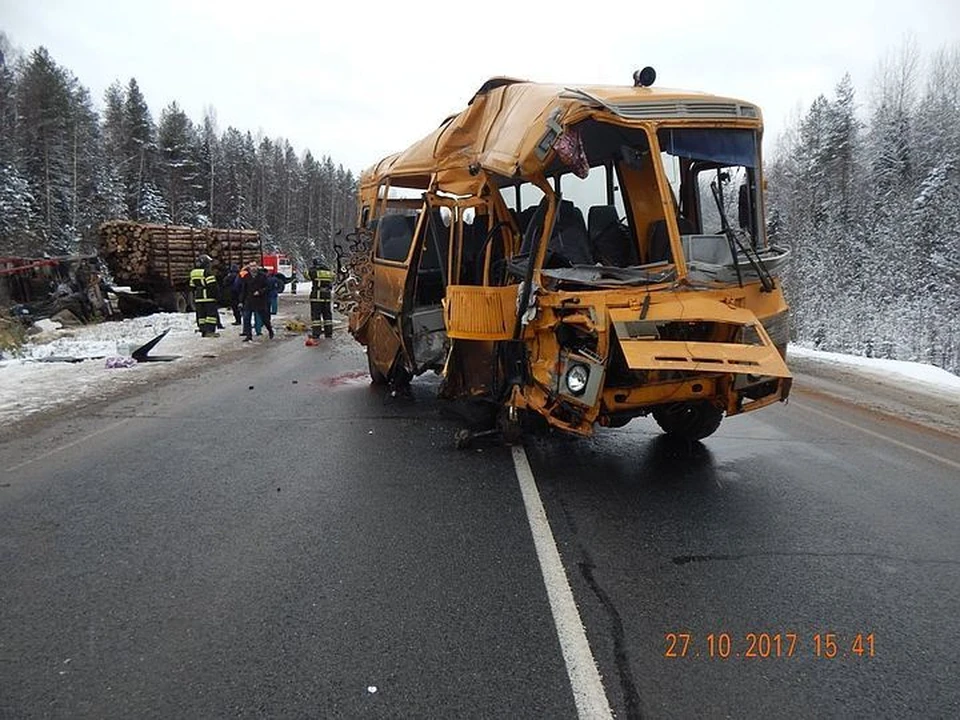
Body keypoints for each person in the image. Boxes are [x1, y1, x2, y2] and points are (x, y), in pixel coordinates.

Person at [241, 264, 274, 341]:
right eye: (251, 266)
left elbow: (268, 287)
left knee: (264, 318)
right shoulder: (246, 277)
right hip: (249, 300)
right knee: (246, 318)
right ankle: (249, 335)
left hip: (260, 300)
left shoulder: (262, 276)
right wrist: (241, 301)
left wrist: (260, 292)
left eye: (254, 266)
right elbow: (243, 290)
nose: (253, 268)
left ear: (257, 267)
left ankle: (270, 330)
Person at [190, 254, 220, 337]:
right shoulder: (207, 272)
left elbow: (192, 286)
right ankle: (210, 331)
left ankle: (203, 330)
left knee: (201, 316)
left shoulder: (193, 273)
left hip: (198, 297)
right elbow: (212, 286)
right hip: (208, 297)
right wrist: (216, 296)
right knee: (211, 315)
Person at [307, 257, 334, 339]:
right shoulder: (329, 272)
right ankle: (328, 333)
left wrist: (312, 268)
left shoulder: (314, 272)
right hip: (327, 297)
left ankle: (316, 333)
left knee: (316, 317)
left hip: (317, 297)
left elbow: (307, 275)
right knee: (327, 316)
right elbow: (334, 278)